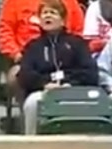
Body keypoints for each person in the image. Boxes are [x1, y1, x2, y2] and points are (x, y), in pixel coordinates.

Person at [17, 0, 99, 134]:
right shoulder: (32, 46)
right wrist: (45, 84)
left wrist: (69, 83)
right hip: (44, 91)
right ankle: (31, 143)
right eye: (44, 13)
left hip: (74, 89)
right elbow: (25, 75)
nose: (47, 16)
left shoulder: (77, 43)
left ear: (63, 20)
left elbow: (90, 73)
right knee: (32, 103)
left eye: (53, 13)